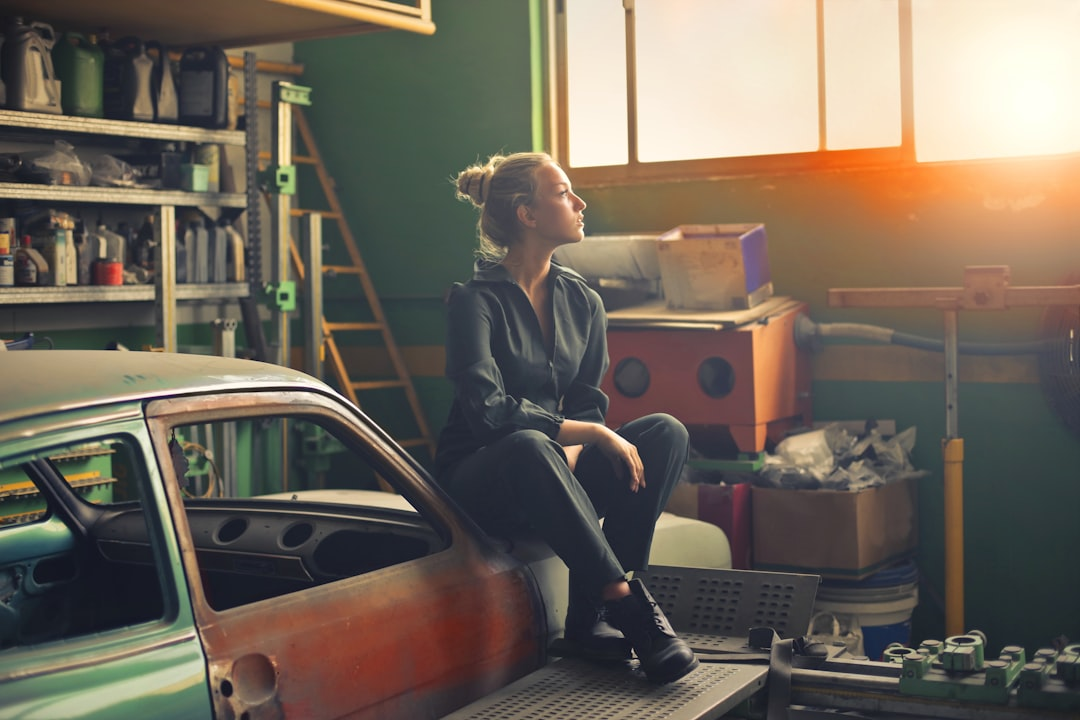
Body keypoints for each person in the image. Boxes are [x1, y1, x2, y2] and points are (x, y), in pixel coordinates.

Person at [434, 151, 698, 684]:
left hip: (555, 468)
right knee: (530, 446)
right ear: (527, 214)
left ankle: (588, 621)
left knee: (664, 432)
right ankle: (627, 606)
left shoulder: (584, 302)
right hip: (485, 479)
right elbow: (488, 413)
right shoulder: (473, 302)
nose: (579, 204)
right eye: (562, 193)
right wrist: (586, 436)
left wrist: (577, 446)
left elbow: (584, 399)